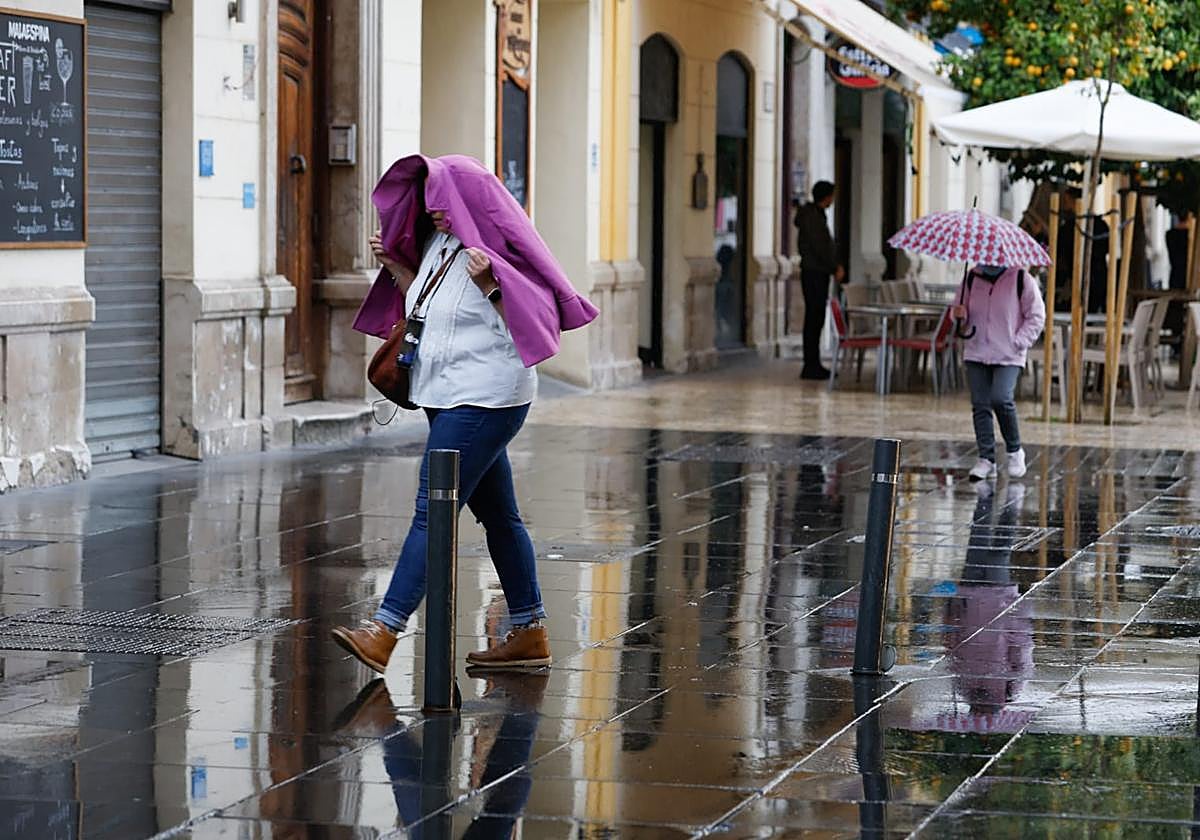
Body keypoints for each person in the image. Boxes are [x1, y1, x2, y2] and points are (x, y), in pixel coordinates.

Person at [333, 154, 598, 674]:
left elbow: (538, 323)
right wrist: (399, 268)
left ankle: (384, 629)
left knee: (432, 512)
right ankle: (529, 631)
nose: (432, 207)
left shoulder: (499, 252)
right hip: (444, 395)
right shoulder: (440, 247)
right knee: (500, 516)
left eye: (440, 197)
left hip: (485, 399)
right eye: (428, 198)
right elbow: (428, 309)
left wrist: (493, 288)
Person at [951, 264, 1046, 481]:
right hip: (976, 350)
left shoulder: (1022, 279)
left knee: (1001, 398)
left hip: (1008, 354)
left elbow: (1037, 316)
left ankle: (1014, 450)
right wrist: (958, 316)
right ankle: (986, 459)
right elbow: (957, 314)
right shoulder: (971, 278)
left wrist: (1019, 341)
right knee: (980, 404)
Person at [795, 181, 845, 380]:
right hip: (814, 273)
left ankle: (813, 363)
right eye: (831, 195)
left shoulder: (815, 216)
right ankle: (811, 365)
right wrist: (834, 266)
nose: (833, 199)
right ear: (825, 197)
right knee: (814, 318)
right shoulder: (813, 218)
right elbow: (820, 247)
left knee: (816, 318)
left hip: (817, 272)